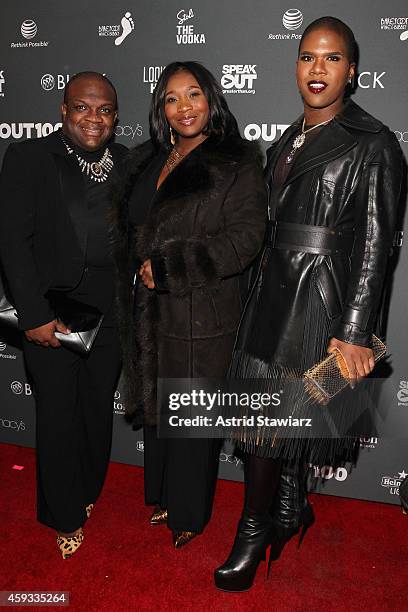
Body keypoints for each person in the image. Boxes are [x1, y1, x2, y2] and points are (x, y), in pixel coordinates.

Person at [214, 17, 403, 591]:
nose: (317, 69)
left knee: (272, 420)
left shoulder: (375, 143)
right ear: (295, 66)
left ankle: (255, 528)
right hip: (270, 292)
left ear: (352, 69)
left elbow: (377, 247)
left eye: (332, 58)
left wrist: (354, 331)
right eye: (307, 57)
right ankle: (292, 505)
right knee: (265, 415)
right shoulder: (284, 142)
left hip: (319, 301)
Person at [111, 61, 266, 547]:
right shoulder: (148, 160)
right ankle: (162, 496)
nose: (184, 107)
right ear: (161, 107)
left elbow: (245, 239)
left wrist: (171, 265)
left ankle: (188, 515)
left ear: (211, 99)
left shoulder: (237, 160)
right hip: (150, 310)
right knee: (161, 409)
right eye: (172, 98)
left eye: (193, 94)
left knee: (193, 417)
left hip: (203, 309)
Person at [0, 72, 127, 558]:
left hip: (111, 310)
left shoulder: (128, 163)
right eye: (82, 107)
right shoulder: (30, 157)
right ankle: (62, 513)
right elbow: (12, 241)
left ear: (115, 117)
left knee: (97, 409)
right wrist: (33, 313)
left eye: (104, 110)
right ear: (63, 110)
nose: (93, 118)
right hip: (52, 309)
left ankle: (88, 492)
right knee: (56, 415)